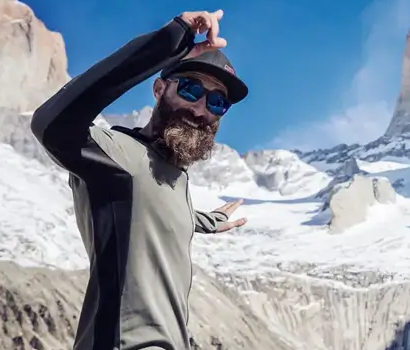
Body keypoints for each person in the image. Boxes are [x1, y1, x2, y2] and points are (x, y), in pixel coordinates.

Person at [30, 9, 248, 350]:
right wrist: (169, 42)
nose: (201, 108)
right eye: (190, 89)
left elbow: (149, 206)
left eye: (217, 102)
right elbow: (51, 125)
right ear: (159, 88)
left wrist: (203, 221)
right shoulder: (117, 154)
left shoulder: (175, 176)